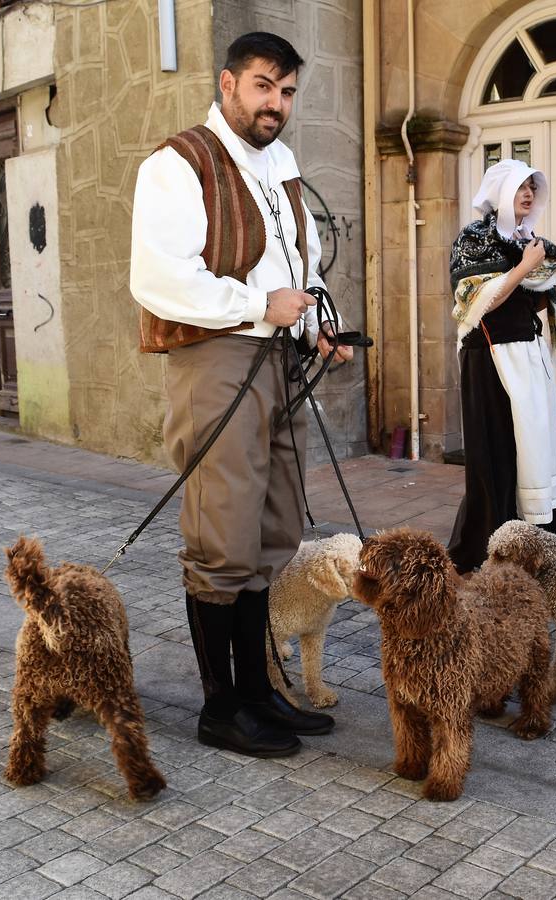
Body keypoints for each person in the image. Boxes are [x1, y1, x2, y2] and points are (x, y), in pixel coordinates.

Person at [129, 32, 351, 758]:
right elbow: (161, 279)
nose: (276, 104)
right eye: (263, 87)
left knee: (272, 525)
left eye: (286, 92)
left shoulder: (280, 163)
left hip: (279, 358)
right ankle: (220, 707)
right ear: (228, 84)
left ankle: (259, 692)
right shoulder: (178, 163)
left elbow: (303, 262)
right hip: (216, 357)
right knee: (222, 534)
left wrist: (322, 323)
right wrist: (263, 308)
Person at [446, 159, 556, 574]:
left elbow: (526, 302)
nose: (528, 194)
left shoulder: (531, 242)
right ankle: (487, 550)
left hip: (526, 357)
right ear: (501, 192)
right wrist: (524, 267)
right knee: (496, 457)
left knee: (532, 454)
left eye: (533, 188)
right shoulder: (474, 240)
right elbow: (478, 301)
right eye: (520, 186)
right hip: (489, 361)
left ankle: (531, 548)